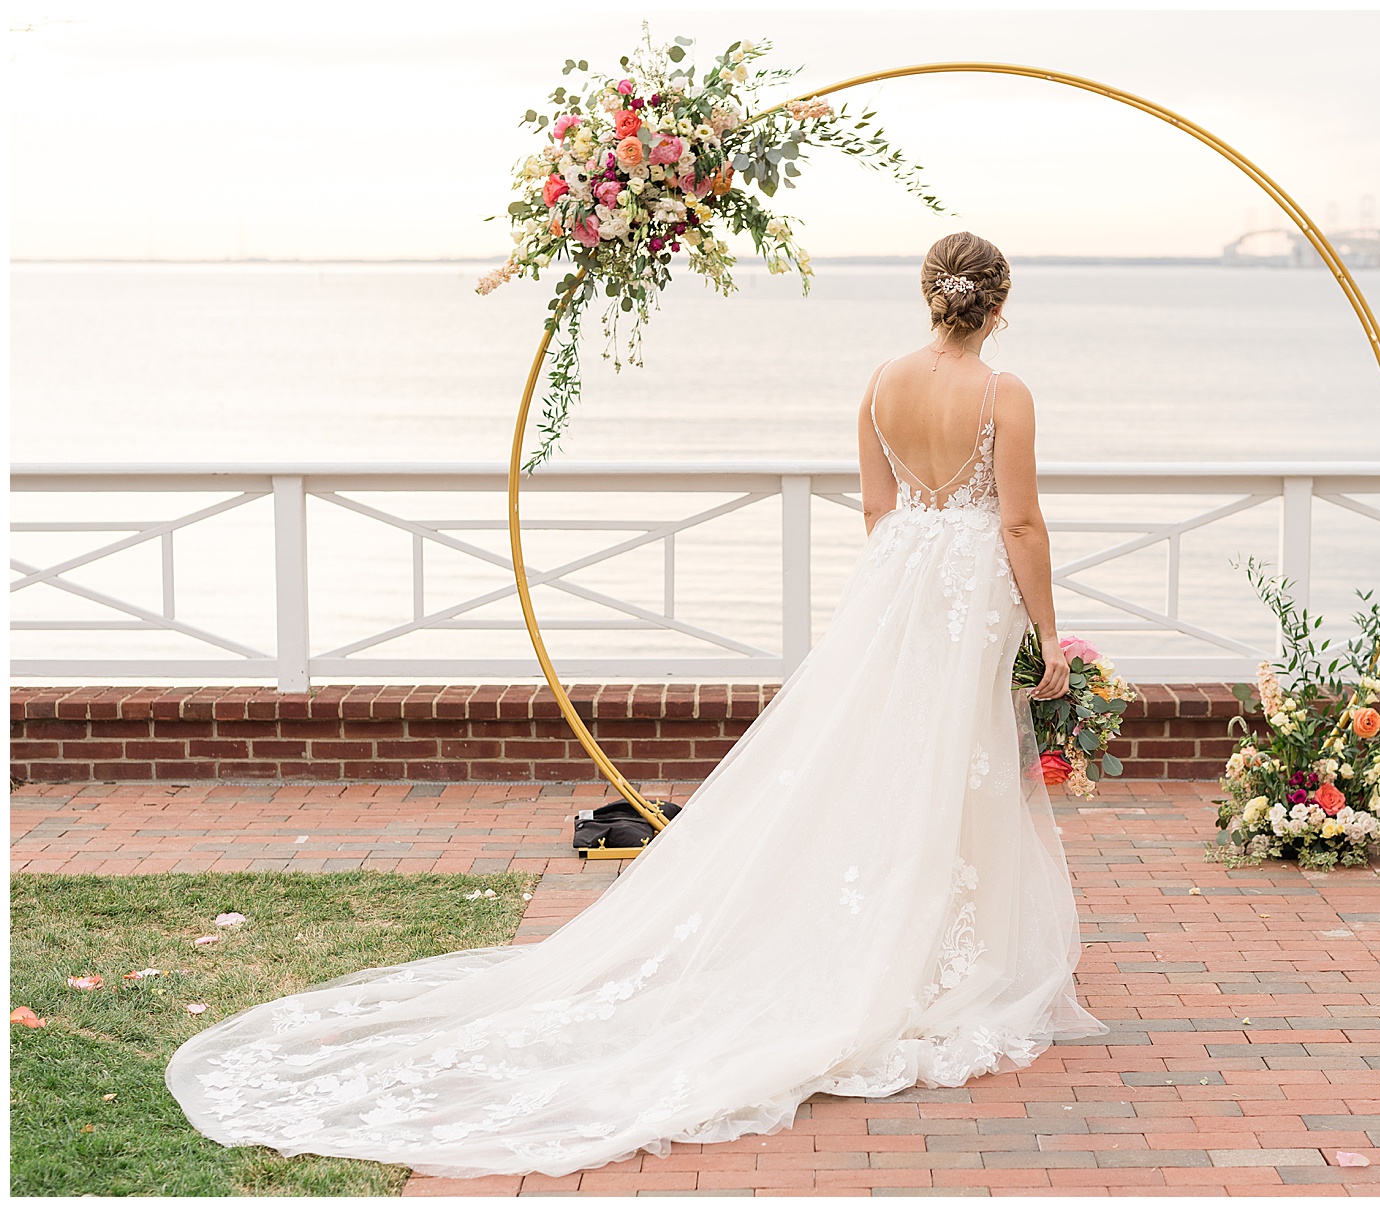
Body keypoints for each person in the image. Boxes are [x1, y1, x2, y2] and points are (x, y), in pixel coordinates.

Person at [165, 231, 1106, 1179]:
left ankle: (895, 927)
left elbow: (876, 511)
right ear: (997, 302)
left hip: (898, 581)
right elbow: (1020, 520)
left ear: (929, 295)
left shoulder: (879, 385)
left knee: (876, 759)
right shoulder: (1005, 393)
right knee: (950, 763)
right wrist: (1050, 635)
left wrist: (909, 579)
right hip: (963, 591)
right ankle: (936, 947)